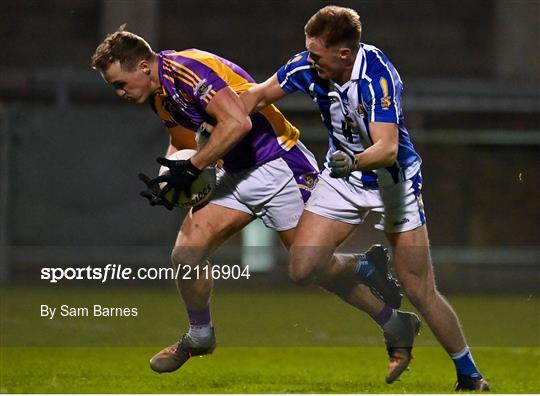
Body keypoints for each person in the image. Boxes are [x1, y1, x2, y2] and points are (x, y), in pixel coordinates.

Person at [90, 25, 417, 380]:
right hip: (234, 172)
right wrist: (173, 177)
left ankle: (382, 301)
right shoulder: (159, 95)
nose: (120, 92)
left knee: (309, 269)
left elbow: (238, 123)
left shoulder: (187, 70)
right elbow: (182, 142)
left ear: (141, 66)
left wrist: (195, 166)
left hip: (279, 164)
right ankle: (200, 335)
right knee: (186, 256)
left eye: (120, 83)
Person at [241, 6, 489, 392]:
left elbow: (387, 149)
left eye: (317, 54)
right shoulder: (307, 66)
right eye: (308, 51)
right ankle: (366, 267)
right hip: (342, 179)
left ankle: (470, 374)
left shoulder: (377, 78)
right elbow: (255, 95)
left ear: (344, 53)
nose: (310, 60)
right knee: (302, 269)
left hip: (392, 184)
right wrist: (214, 127)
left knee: (418, 287)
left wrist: (353, 160)